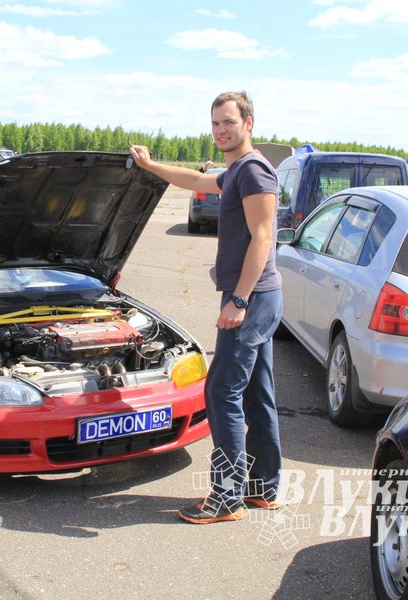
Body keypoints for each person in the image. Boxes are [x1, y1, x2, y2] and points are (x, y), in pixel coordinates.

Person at [130, 90, 282, 524]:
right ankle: (263, 487)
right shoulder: (236, 169)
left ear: (249, 123)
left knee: (222, 391)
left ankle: (227, 496)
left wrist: (238, 299)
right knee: (255, 390)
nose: (220, 131)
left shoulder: (253, 172)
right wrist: (150, 165)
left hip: (251, 296)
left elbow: (263, 238)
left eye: (228, 123)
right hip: (257, 295)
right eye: (215, 124)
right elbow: (196, 181)